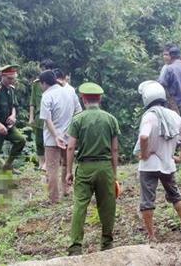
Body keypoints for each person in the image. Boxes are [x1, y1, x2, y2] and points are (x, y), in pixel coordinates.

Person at [65, 83, 120, 255]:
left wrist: (68, 171)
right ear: (100, 99)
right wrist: (114, 173)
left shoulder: (78, 119)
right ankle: (107, 243)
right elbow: (115, 149)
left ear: (83, 99)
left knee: (80, 205)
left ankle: (75, 246)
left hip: (85, 167)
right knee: (108, 205)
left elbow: (70, 147)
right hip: (105, 167)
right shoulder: (110, 119)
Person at [135, 80, 181, 243]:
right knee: (175, 194)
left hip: (148, 166)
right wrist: (180, 157)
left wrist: (145, 153)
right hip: (168, 164)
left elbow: (144, 136)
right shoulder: (173, 115)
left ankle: (152, 235)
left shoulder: (149, 116)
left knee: (147, 201)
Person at [39, 70, 77, 203]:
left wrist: (56, 136)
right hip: (68, 136)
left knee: (52, 168)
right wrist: (69, 132)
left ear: (44, 83)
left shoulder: (47, 96)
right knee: (67, 163)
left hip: (51, 138)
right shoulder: (69, 92)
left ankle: (54, 198)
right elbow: (78, 112)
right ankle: (66, 190)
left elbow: (47, 119)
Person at [0, 65, 26, 170]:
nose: (12, 81)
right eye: (9, 78)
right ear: (2, 76)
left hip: (8, 126)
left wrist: (13, 115)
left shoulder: (11, 89)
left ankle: (7, 165)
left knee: (21, 140)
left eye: (13, 78)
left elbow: (13, 105)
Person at [29, 59, 56, 171]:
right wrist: (31, 117)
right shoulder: (36, 84)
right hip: (39, 116)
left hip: (51, 116)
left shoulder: (56, 85)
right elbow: (32, 102)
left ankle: (48, 163)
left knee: (49, 138)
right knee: (39, 140)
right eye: (43, 69)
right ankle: (41, 163)